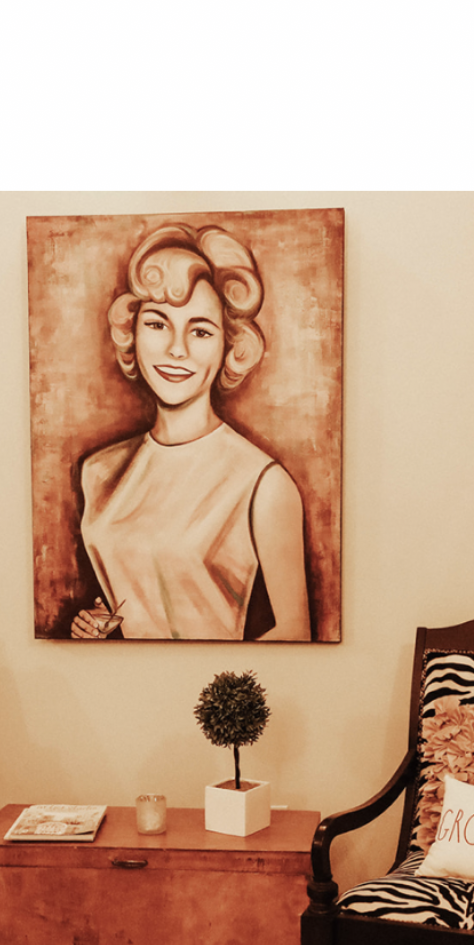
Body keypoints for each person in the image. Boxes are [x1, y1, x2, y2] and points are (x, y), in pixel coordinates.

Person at [71, 221, 310, 642]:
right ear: (132, 333)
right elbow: (141, 597)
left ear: (230, 346)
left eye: (200, 331)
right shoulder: (98, 471)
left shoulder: (263, 484)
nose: (176, 349)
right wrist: (98, 629)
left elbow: (295, 632)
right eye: (157, 324)